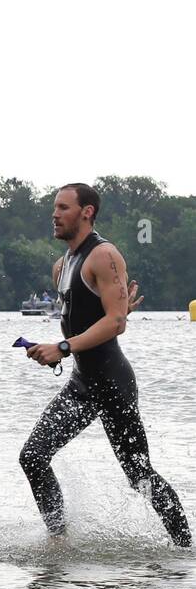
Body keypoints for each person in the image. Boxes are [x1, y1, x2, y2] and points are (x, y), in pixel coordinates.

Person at [20, 183, 190, 546]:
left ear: (87, 212)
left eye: (63, 207)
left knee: (139, 475)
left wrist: (62, 347)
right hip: (82, 385)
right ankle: (59, 541)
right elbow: (100, 315)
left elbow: (116, 324)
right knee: (33, 457)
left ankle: (187, 549)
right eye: (54, 207)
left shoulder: (104, 255)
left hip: (113, 384)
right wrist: (52, 348)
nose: (55, 214)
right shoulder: (61, 266)